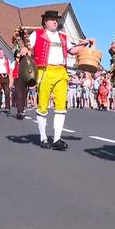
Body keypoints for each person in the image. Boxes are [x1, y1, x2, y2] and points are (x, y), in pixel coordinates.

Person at [24, 10, 91, 151]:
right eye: (52, 19)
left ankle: (57, 139)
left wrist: (84, 44)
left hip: (61, 72)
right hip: (45, 71)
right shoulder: (37, 34)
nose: (55, 22)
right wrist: (24, 49)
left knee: (61, 107)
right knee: (42, 106)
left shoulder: (63, 37)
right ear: (45, 21)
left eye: (57, 19)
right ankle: (43, 137)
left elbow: (72, 50)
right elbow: (27, 48)